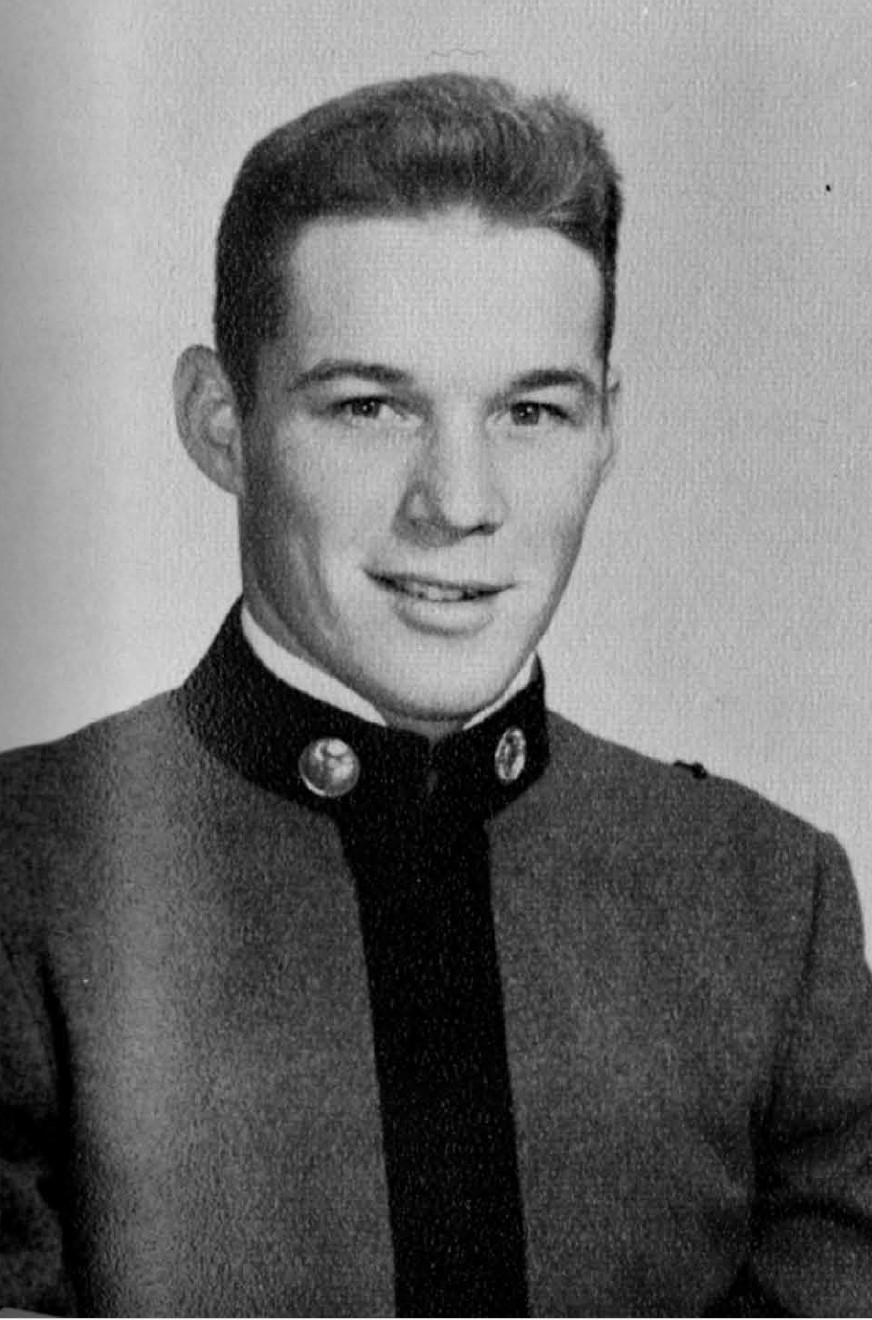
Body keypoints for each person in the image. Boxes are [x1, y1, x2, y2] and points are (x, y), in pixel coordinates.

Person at [1, 71, 870, 1319]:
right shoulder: (26, 875)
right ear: (219, 423)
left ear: (605, 433)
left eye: (530, 411)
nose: (458, 502)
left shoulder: (767, 908)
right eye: (369, 406)